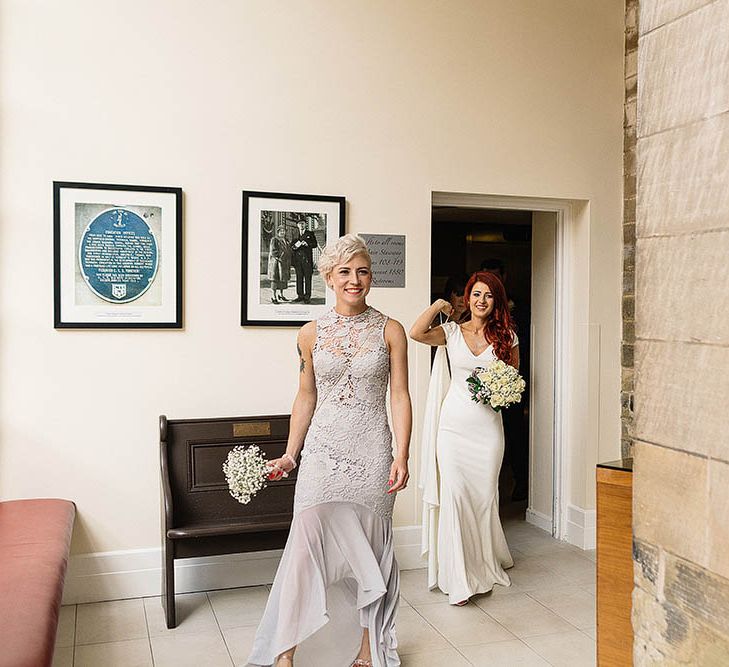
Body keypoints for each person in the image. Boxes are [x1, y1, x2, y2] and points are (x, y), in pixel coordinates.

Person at [248, 234, 412, 667]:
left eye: (362, 271)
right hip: (322, 451)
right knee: (303, 550)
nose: (355, 280)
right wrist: (289, 454)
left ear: (371, 276)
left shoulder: (391, 330)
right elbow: (305, 396)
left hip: (372, 449)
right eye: (345, 272)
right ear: (328, 277)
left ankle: (366, 650)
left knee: (371, 552)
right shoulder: (310, 333)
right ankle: (284, 653)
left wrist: (402, 454)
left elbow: (400, 394)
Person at [410, 271, 518, 605]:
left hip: (487, 430)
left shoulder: (507, 337)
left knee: (484, 499)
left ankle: (484, 562)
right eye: (475, 294)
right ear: (466, 298)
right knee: (455, 496)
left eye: (488, 295)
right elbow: (416, 333)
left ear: (495, 301)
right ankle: (459, 578)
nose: (481, 301)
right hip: (453, 428)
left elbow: (514, 380)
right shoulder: (451, 332)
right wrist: (439, 305)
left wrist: (500, 392)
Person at [479, 258, 529, 501]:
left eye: (495, 276)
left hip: (508, 388)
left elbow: (521, 354)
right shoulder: (469, 321)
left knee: (516, 435)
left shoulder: (520, 310)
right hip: (474, 399)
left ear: (504, 277)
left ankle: (521, 483)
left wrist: (514, 388)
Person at [291, 219, 318, 304]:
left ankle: (307, 297)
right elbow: (291, 245)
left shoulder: (310, 233)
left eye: (303, 224)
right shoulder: (295, 233)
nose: (301, 225)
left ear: (305, 225)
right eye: (300, 224)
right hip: (298, 261)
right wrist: (295, 246)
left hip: (307, 260)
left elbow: (315, 244)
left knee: (307, 279)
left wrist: (307, 244)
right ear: (297, 225)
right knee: (299, 278)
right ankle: (300, 296)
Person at [267, 226, 292, 304]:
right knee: (275, 280)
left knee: (283, 280)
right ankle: (273, 296)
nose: (282, 232)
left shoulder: (286, 240)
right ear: (278, 232)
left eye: (283, 231)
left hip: (284, 263)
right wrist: (280, 257)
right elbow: (273, 251)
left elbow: (289, 250)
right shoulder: (274, 240)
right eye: (281, 231)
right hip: (276, 263)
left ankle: (281, 295)